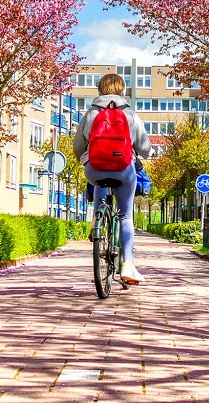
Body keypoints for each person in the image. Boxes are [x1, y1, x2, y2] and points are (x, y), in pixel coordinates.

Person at [73, 73, 151, 284]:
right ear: (123, 91)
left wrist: (86, 158)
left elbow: (77, 147)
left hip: (94, 169)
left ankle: (97, 222)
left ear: (99, 90)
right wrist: (145, 153)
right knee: (125, 216)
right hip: (124, 169)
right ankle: (127, 265)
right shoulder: (130, 114)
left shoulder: (90, 113)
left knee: (99, 180)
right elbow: (144, 149)